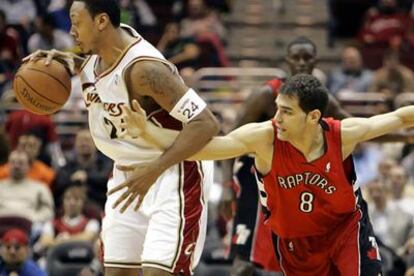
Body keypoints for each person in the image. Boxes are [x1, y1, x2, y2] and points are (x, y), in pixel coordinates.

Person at [116, 73, 414, 275]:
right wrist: (147, 131)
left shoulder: (343, 134)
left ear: (313, 117)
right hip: (296, 242)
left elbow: (399, 117)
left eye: (286, 111)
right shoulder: (264, 139)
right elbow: (203, 149)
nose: (276, 118)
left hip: (345, 231)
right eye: (277, 108)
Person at [24, 1, 219, 276]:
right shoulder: (97, 55)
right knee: (116, 272)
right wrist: (64, 61)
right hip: (127, 173)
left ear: (101, 21)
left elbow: (206, 124)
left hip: (172, 172)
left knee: (160, 272)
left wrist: (154, 170)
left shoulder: (146, 70)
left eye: (76, 22)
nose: (71, 31)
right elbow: (101, 75)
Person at [220, 36, 349, 275]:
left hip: (295, 178)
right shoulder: (266, 94)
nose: (301, 62)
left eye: (307, 58)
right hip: (255, 174)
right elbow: (230, 140)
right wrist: (227, 185)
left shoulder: (322, 99)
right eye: (296, 58)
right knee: (244, 262)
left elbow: (356, 127)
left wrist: (401, 134)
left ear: (315, 61)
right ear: (286, 60)